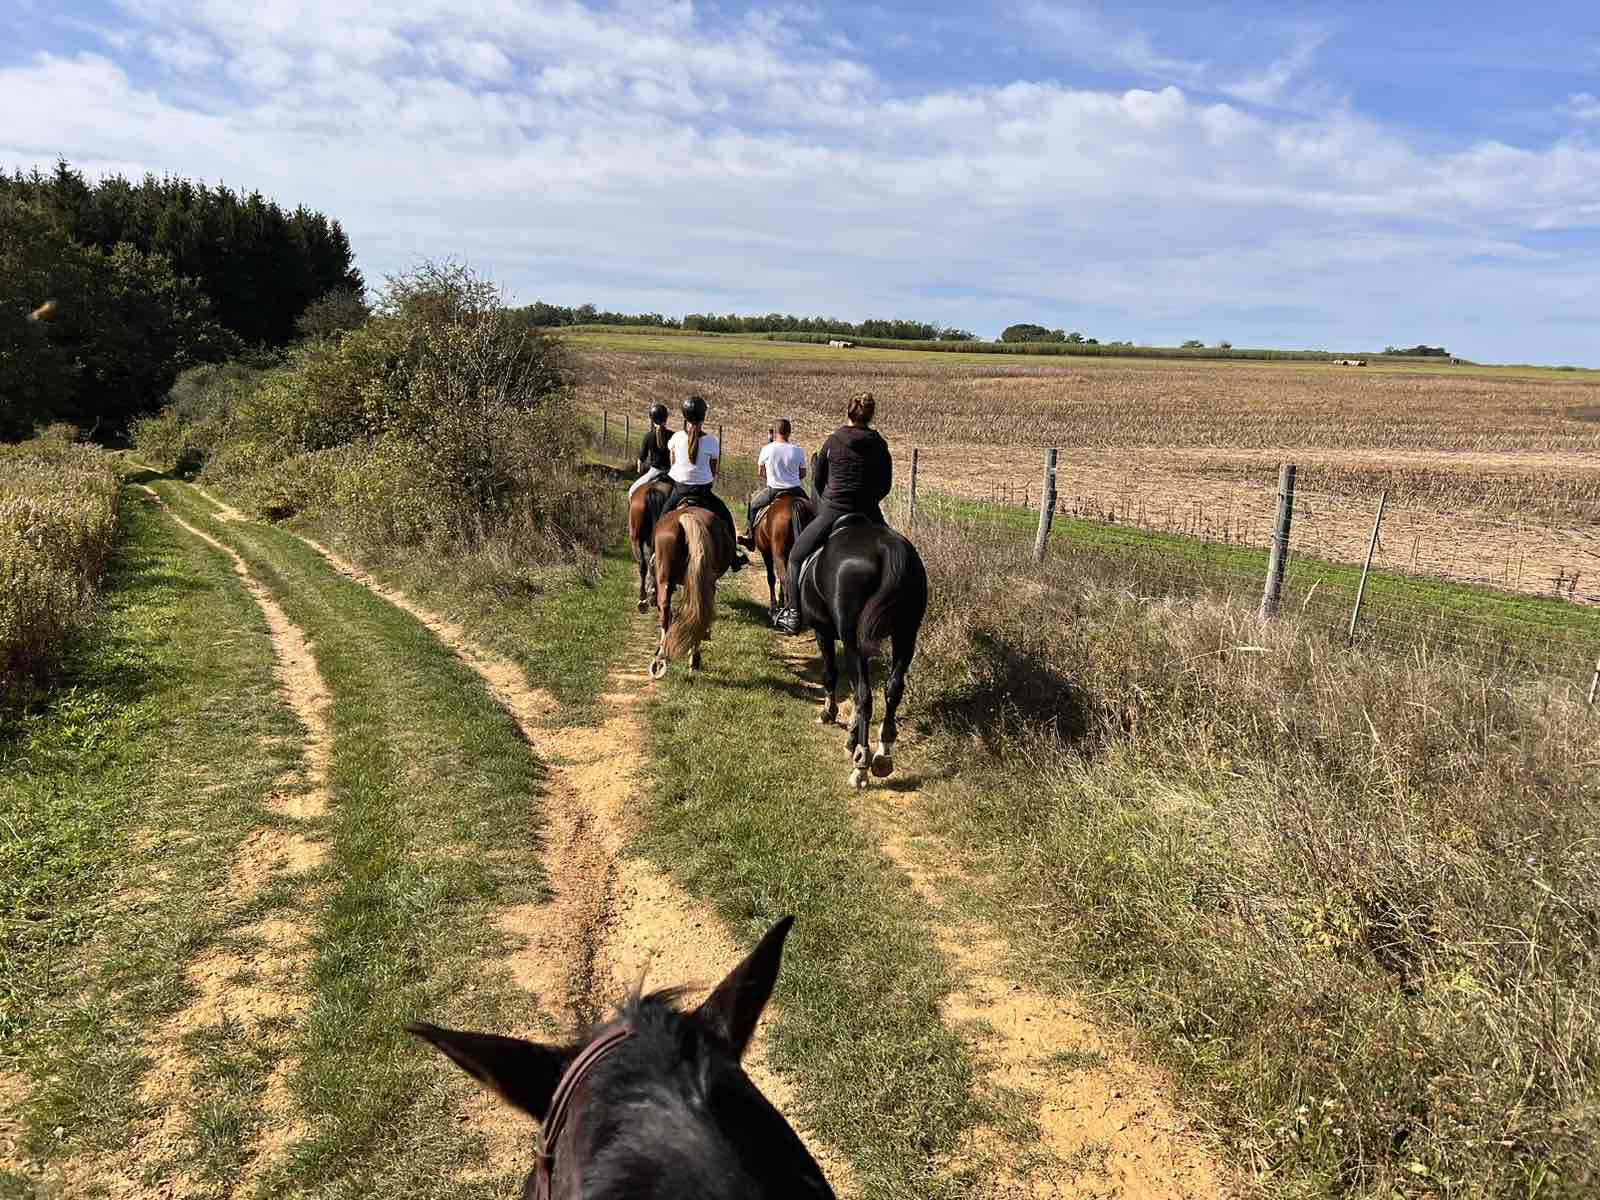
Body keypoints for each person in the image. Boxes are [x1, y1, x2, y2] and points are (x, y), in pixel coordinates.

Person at [773, 392, 891, 634]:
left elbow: (817, 482)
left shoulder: (833, 442)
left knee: (795, 557)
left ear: (848, 412)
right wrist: (869, 501)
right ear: (870, 416)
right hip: (870, 513)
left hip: (834, 511)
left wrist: (830, 500)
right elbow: (885, 484)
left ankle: (794, 616)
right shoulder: (880, 444)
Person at [662, 394, 749, 572]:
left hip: (679, 491)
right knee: (726, 517)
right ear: (704, 416)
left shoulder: (677, 437)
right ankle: (734, 557)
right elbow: (713, 471)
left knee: (661, 519)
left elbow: (673, 463)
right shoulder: (711, 441)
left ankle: (656, 554)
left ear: (685, 416)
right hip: (703, 493)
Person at [738, 418, 807, 549]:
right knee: (812, 509)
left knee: (753, 507)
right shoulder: (798, 450)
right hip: (796, 490)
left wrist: (771, 476)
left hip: (773, 491)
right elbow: (803, 474)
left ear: (775, 432)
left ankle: (750, 537)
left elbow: (760, 472)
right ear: (789, 432)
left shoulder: (767, 449)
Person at [628, 403, 672, 497]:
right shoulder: (673, 436)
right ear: (666, 418)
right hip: (671, 474)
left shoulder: (648, 436)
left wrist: (640, 473)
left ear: (652, 419)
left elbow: (641, 461)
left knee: (631, 492)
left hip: (654, 472)